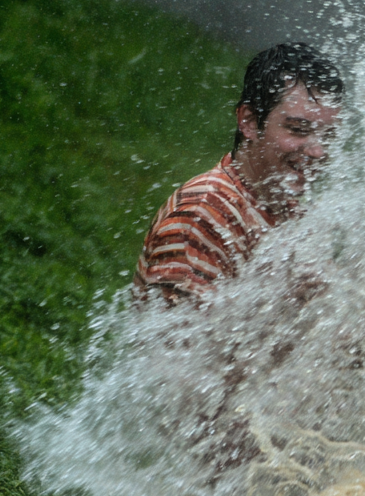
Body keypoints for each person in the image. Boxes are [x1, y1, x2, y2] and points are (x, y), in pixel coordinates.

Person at [133, 42, 343, 304]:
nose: (318, 152)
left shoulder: (288, 211)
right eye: (298, 129)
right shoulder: (200, 218)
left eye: (329, 136)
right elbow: (176, 343)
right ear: (250, 122)